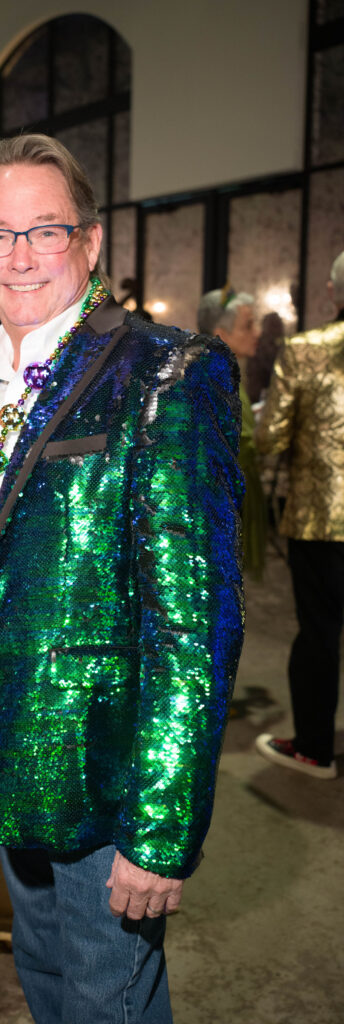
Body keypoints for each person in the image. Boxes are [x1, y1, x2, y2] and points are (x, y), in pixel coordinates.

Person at [0, 134, 244, 1023]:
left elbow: (198, 624)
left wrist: (160, 828)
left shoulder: (168, 372)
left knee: (109, 1008)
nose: (21, 255)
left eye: (47, 229)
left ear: (92, 242)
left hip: (108, 794)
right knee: (46, 995)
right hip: (6, 784)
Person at [253, 250, 344, 781]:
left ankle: (314, 747)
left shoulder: (306, 352)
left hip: (321, 520)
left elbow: (271, 438)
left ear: (333, 293)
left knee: (319, 635)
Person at [196, 287, 267, 579]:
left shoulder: (223, 373)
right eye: (248, 325)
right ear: (221, 334)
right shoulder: (216, 379)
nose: (258, 332)